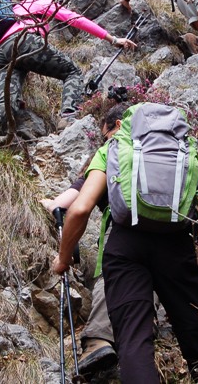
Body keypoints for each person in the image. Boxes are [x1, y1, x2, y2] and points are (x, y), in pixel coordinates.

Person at [51, 106, 198, 383]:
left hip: (125, 246)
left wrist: (63, 258)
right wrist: (191, 269)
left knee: (133, 342)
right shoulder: (186, 151)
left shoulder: (112, 150)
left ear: (120, 125)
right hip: (176, 245)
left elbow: (79, 209)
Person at [38, 103, 131, 375]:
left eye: (104, 133)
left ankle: (99, 342)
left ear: (114, 126)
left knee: (110, 278)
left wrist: (47, 202)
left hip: (121, 236)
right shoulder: (158, 154)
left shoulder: (107, 157)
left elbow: (66, 205)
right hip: (168, 239)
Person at [0, 0, 136, 136]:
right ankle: (68, 116)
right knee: (72, 72)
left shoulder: (15, 10)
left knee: (9, 101)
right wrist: (113, 39)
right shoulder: (40, 0)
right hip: (23, 41)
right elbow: (75, 19)